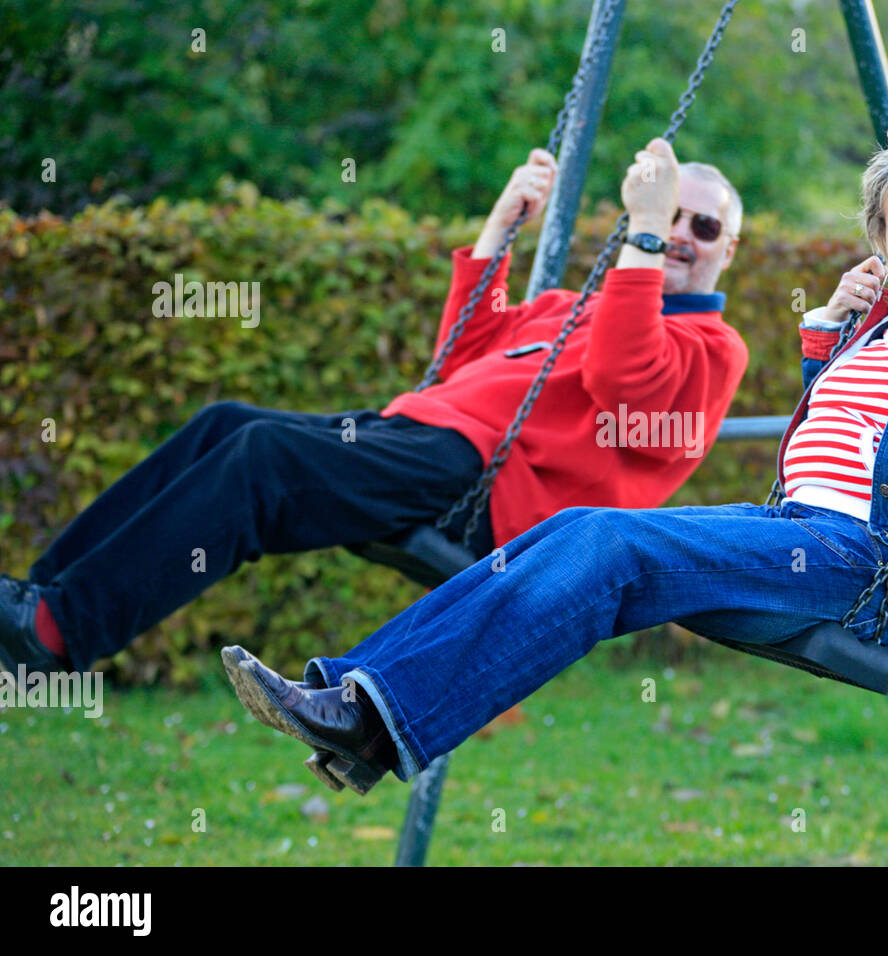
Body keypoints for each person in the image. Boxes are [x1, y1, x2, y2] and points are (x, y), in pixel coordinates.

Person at [224, 122, 888, 796]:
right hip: (802, 535)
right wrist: (829, 338)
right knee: (580, 532)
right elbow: (848, 443)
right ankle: (360, 713)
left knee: (613, 550)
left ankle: (366, 716)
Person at [0, 138, 748, 676]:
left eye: (702, 226)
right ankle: (46, 597)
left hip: (486, 487)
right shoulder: (571, 307)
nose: (681, 235)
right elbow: (460, 355)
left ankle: (63, 631)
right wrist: (499, 228)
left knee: (264, 462)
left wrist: (643, 232)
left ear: (729, 249)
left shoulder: (715, 350)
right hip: (424, 433)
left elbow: (626, 378)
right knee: (226, 424)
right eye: (671, 217)